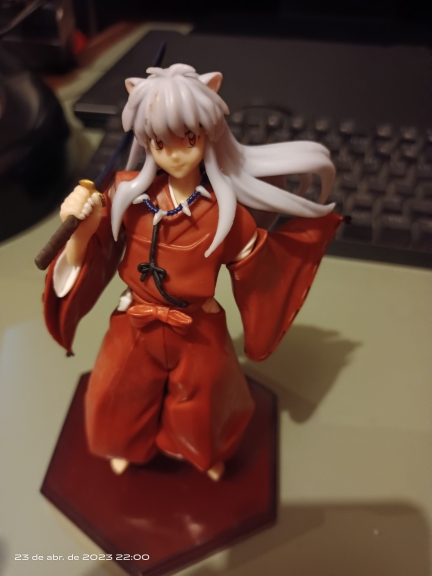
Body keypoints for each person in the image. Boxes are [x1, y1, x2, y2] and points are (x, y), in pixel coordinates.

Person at [43, 64, 342, 481]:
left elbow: (258, 270)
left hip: (197, 324)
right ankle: (123, 443)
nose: (176, 153)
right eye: (159, 141)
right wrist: (82, 230)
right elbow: (91, 256)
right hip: (135, 318)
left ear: (208, 134)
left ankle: (200, 449)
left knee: (208, 396)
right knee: (115, 389)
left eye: (189, 138)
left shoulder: (224, 213)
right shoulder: (125, 196)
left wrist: (297, 246)